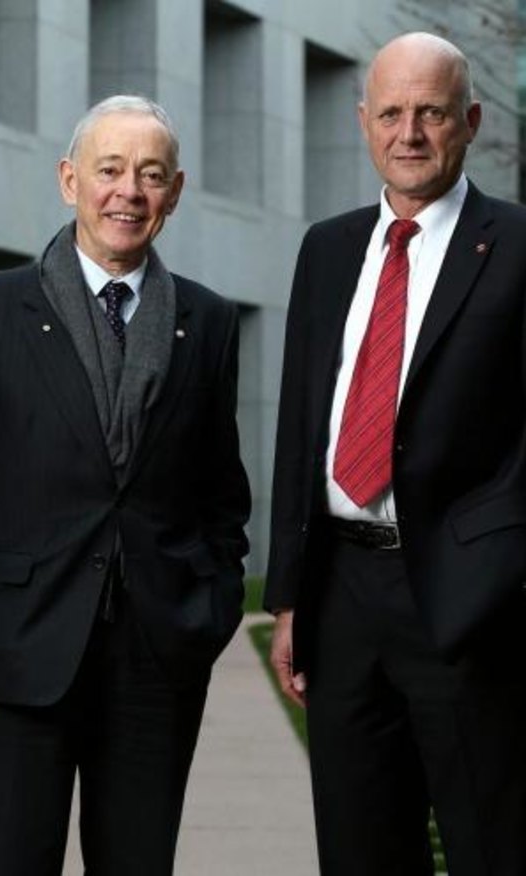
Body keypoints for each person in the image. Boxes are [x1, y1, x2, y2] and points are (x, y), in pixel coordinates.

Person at [0, 94, 250, 876]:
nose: (129, 192)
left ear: (175, 193)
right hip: (20, 649)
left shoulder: (208, 322)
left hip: (156, 655)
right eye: (110, 170)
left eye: (151, 175)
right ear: (68, 180)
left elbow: (221, 492)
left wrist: (208, 610)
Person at [266, 31, 526, 876]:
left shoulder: (518, 245)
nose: (409, 132)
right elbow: (303, 423)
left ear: (471, 121)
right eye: (391, 113)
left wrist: (497, 572)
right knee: (359, 848)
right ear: (363, 123)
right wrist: (289, 597)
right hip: (343, 600)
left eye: (431, 113)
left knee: (491, 843)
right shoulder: (328, 248)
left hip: (466, 602)